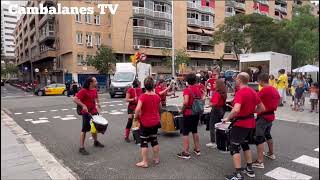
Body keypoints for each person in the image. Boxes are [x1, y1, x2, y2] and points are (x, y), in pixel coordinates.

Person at [222, 72, 265, 180]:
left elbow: (236, 109)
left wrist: (228, 118)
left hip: (241, 124)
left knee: (234, 147)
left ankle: (237, 174)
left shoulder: (241, 92)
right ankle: (249, 169)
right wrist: (250, 111)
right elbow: (262, 108)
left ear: (240, 80)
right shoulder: (253, 91)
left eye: (236, 78)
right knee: (245, 145)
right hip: (251, 123)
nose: (235, 80)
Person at [252, 73, 280, 169]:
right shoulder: (274, 89)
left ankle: (260, 162)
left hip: (263, 117)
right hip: (271, 115)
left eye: (258, 81)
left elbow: (254, 100)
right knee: (267, 134)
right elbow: (278, 101)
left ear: (260, 80)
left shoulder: (264, 90)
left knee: (259, 138)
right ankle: (271, 153)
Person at [134, 76, 161, 168]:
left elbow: (137, 109)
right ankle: (156, 159)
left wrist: (135, 117)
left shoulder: (143, 96)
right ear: (153, 85)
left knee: (144, 142)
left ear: (144, 86)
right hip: (155, 121)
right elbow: (160, 108)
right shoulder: (157, 96)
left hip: (145, 122)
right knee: (154, 140)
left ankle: (145, 162)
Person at [73, 76, 104, 155]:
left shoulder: (94, 90)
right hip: (86, 113)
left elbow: (96, 98)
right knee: (84, 129)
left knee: (94, 128)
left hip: (94, 111)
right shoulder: (83, 91)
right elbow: (75, 99)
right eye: (95, 81)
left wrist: (98, 104)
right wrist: (83, 105)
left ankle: (95, 142)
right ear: (91, 83)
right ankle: (81, 147)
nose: (97, 82)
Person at [177, 73, 202, 159]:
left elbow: (186, 102)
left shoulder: (187, 90)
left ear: (187, 81)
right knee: (195, 130)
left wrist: (182, 110)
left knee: (185, 132)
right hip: (196, 113)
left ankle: (186, 152)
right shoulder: (198, 89)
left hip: (188, 113)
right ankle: (197, 149)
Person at [206, 79, 227, 148]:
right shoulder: (223, 92)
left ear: (218, 85)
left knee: (212, 125)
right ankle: (219, 140)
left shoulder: (216, 93)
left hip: (216, 110)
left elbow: (214, 103)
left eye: (215, 83)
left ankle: (213, 142)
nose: (213, 84)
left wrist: (208, 105)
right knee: (218, 125)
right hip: (222, 109)